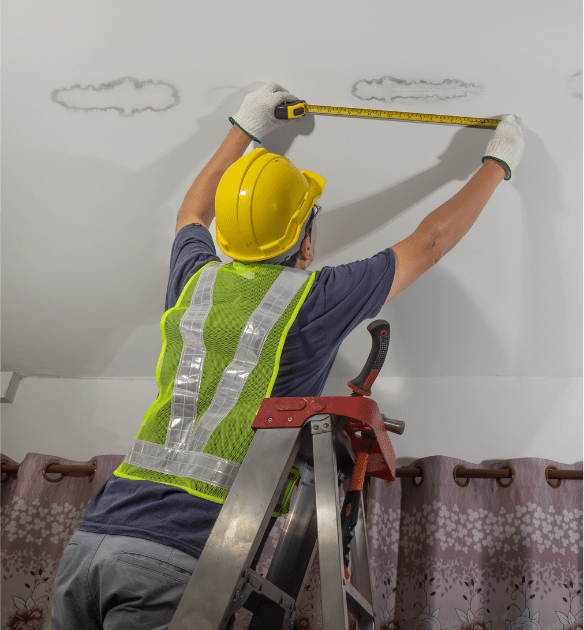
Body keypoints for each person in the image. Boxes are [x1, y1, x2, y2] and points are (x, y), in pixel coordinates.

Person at [51, 82, 525, 629]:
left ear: (228, 235)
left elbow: (191, 211)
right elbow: (427, 245)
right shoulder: (315, 298)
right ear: (305, 242)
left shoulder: (194, 279)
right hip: (174, 556)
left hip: (90, 545)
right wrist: (499, 161)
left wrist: (246, 127)